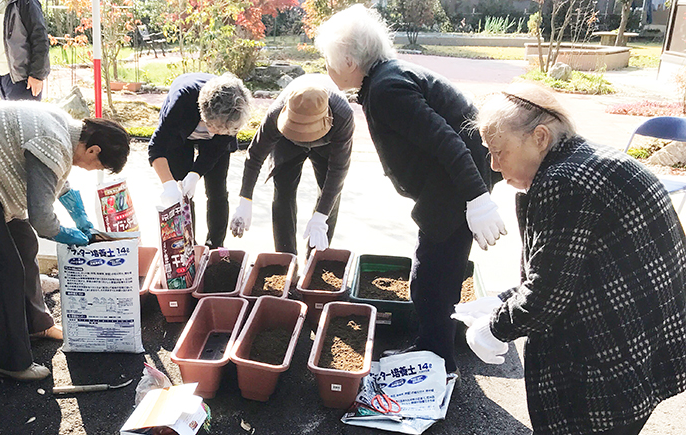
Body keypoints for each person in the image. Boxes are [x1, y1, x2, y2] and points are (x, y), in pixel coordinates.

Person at [457, 82, 686, 435]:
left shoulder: (564, 184)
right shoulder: (590, 164)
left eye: (498, 150)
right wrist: (500, 306)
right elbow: (560, 271)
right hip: (645, 346)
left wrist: (492, 328)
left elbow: (547, 294)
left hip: (611, 355)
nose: (493, 165)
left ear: (540, 136)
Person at [315, 4, 505, 374]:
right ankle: (432, 349)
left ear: (350, 61)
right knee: (436, 273)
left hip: (455, 186)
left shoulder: (387, 88)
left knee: (433, 278)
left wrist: (477, 199)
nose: (327, 68)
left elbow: (448, 142)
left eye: (329, 60)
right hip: (449, 185)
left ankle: (437, 361)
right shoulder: (386, 79)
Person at [0, 101, 131, 381]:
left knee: (25, 245)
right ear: (93, 149)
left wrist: (79, 215)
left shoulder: (67, 131)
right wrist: (68, 234)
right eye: (97, 165)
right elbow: (42, 219)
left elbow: (55, 179)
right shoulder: (54, 140)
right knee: (4, 267)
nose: (91, 169)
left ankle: (35, 324)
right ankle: (9, 361)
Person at [230, 73, 354, 255]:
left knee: (329, 197)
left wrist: (321, 217)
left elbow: (338, 170)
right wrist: (245, 200)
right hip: (287, 142)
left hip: (327, 145)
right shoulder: (276, 113)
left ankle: (316, 257)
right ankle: (286, 257)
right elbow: (255, 155)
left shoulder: (343, 116)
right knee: (283, 190)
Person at [149, 72, 252, 249]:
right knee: (183, 194)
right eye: (213, 128)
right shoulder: (181, 102)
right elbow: (156, 147)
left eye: (222, 131)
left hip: (217, 132)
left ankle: (215, 245)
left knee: (217, 190)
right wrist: (169, 185)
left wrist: (196, 173)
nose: (214, 134)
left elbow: (216, 149)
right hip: (181, 135)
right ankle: (189, 245)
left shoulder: (233, 112)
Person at [0, 0, 50, 101]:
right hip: (1, 78)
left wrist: (37, 75)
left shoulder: (26, 2)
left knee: (24, 117)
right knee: (9, 117)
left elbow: (40, 39)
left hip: (23, 81)